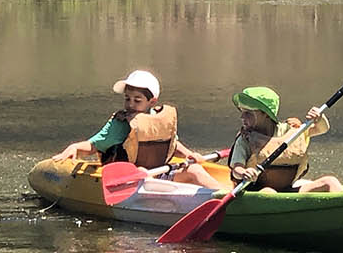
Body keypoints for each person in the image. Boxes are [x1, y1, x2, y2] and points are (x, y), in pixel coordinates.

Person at [52, 69, 221, 188]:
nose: (130, 104)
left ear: (152, 101)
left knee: (195, 169)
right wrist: (75, 147)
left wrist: (189, 155)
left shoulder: (159, 118)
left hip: (156, 174)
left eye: (137, 100)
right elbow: (95, 144)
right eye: (127, 98)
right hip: (129, 177)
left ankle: (225, 197)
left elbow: (173, 145)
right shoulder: (121, 123)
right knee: (140, 171)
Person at [227, 86, 343, 193]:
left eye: (248, 113)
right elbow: (236, 169)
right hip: (257, 192)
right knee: (269, 192)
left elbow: (322, 129)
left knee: (330, 182)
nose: (242, 117)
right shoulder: (244, 139)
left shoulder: (290, 130)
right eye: (242, 112)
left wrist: (319, 118)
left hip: (288, 189)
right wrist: (244, 173)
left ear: (266, 114)